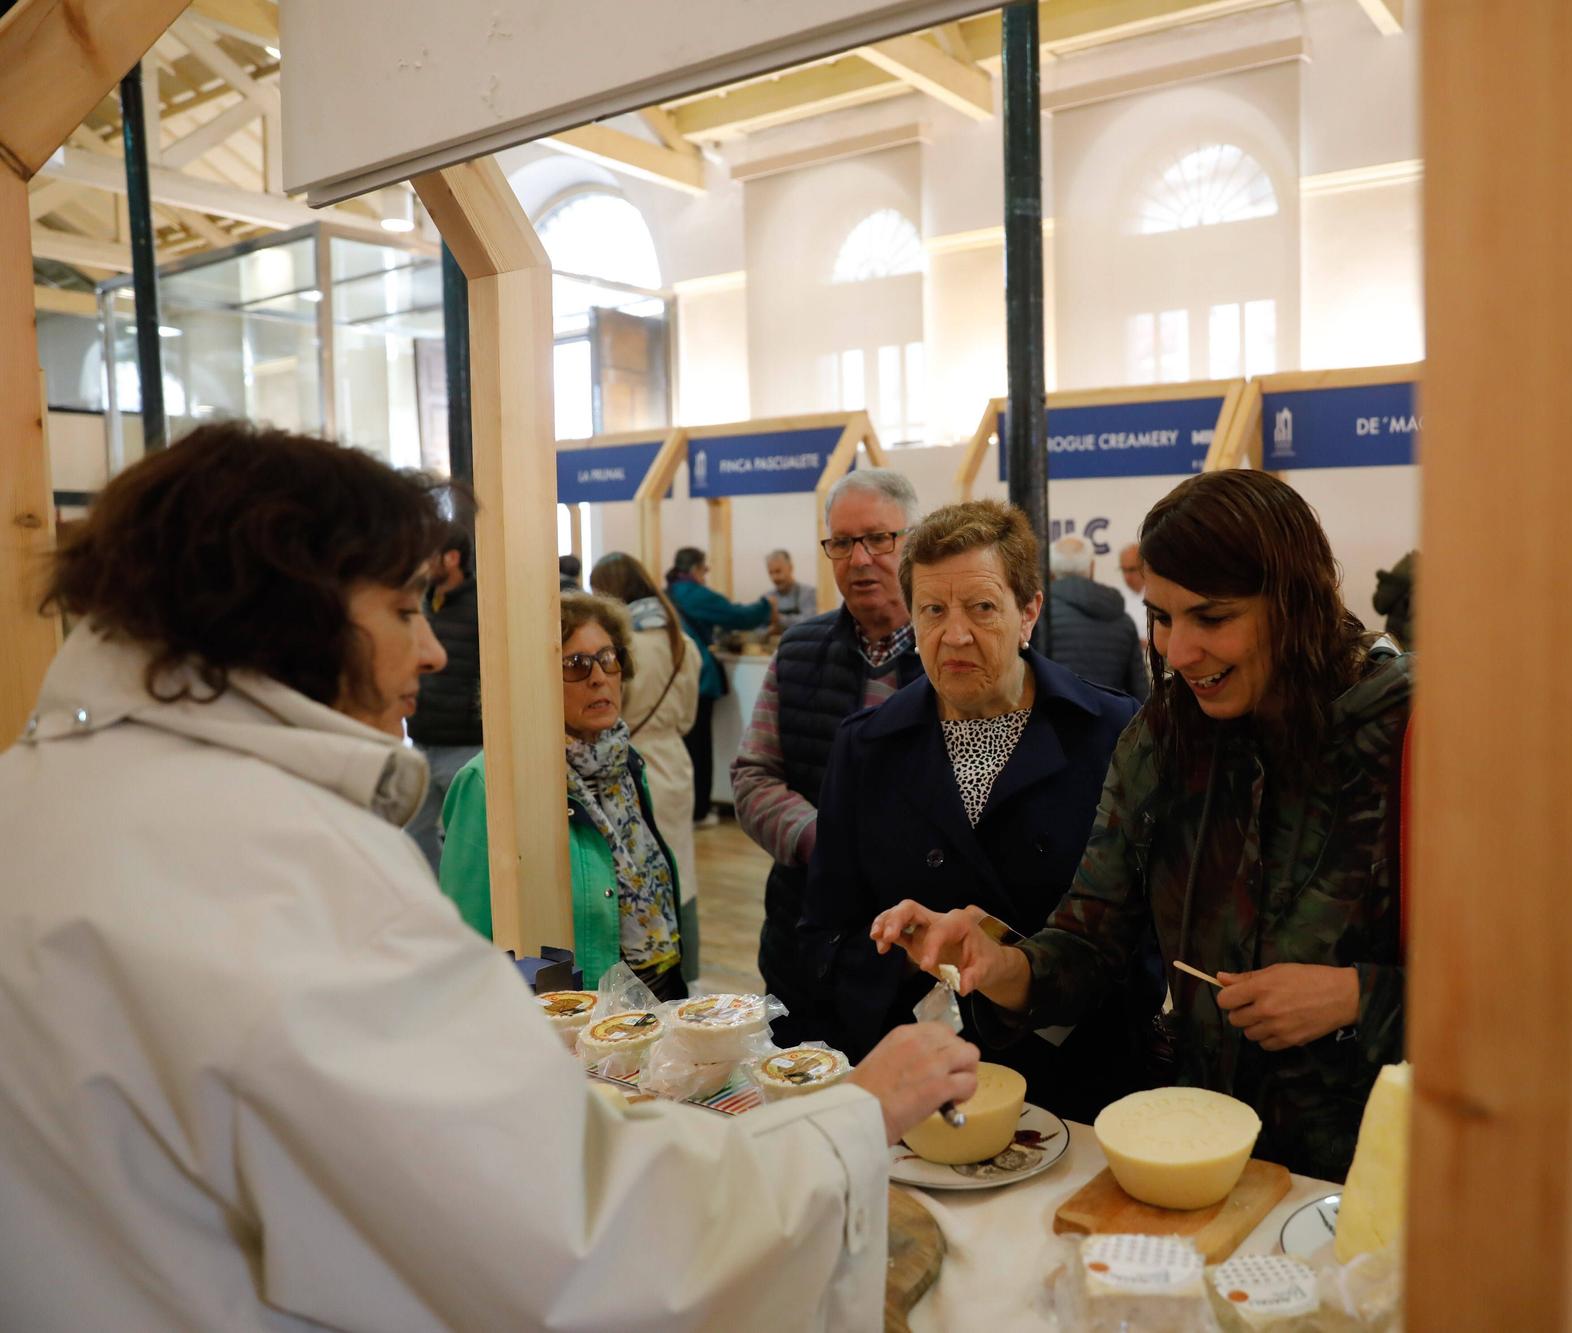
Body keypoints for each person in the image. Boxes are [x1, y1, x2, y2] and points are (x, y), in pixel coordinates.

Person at [0, 420, 979, 1329]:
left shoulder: (41, 799)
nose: (430, 650)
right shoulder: (283, 866)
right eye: (399, 607)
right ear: (285, 613)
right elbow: (572, 1233)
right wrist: (849, 1120)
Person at [872, 469, 1413, 1181]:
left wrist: (1353, 997)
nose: (1177, 651)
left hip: (1379, 1177)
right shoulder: (1161, 741)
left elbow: (1515, 993)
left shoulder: (1407, 733)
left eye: (1212, 618)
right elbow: (1090, 940)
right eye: (1160, 616)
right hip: (1201, 1153)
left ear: (1295, 600)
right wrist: (1000, 962)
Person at [803, 502, 1152, 1120]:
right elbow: (827, 930)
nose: (955, 634)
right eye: (934, 610)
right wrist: (901, 960)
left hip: (1076, 1090)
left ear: (1030, 612)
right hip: (922, 1086)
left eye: (983, 608)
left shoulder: (1110, 732)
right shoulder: (866, 746)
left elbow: (1142, 936)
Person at [732, 470, 926, 1043]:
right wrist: (828, 840)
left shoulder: (955, 656)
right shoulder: (798, 650)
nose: (859, 558)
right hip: (803, 936)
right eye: (842, 542)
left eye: (878, 538)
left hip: (918, 952)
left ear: (912, 541)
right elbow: (753, 776)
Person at [441, 593, 686, 999]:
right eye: (575, 665)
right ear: (532, 680)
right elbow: (466, 937)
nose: (598, 677)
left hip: (653, 1001)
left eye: (608, 659)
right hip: (574, 1018)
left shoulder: (623, 761)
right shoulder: (490, 781)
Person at [590, 552, 706, 977]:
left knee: (636, 873)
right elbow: (690, 715)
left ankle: (645, 970)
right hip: (676, 762)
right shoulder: (683, 643)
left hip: (628, 762)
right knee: (681, 875)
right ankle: (685, 970)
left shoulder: (621, 649)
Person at [666, 546, 775, 825]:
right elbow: (737, 616)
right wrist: (766, 606)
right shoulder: (693, 593)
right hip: (698, 678)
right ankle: (699, 810)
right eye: (705, 571)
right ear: (695, 570)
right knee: (700, 746)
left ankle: (688, 807)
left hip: (673, 678)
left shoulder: (668, 592)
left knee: (686, 746)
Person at [404, 519, 480, 873]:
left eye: (428, 555)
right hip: (421, 743)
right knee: (413, 836)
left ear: (451, 558)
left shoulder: (483, 607)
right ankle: (441, 904)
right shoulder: (419, 604)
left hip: (464, 748)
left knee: (470, 844)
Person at [1044, 534, 1148, 698]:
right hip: (1113, 720)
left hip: (1055, 719)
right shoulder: (1123, 619)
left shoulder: (1036, 617)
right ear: (1092, 569)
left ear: (1050, 573)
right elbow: (1140, 693)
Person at [1373, 549, 1416, 647]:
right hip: (1402, 647)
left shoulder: (1406, 565)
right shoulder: (1409, 567)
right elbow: (1380, 604)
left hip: (1398, 645)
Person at [766, 548, 815, 630]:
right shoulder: (767, 597)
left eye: (778, 571)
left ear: (791, 568)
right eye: (771, 573)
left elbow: (810, 622)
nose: (774, 577)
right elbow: (757, 629)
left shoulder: (808, 593)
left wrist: (779, 619)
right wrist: (768, 631)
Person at [1116, 540, 1148, 640]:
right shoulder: (1116, 597)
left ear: (1144, 566)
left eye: (1132, 570)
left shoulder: (1159, 595)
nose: (1127, 577)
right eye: (1123, 570)